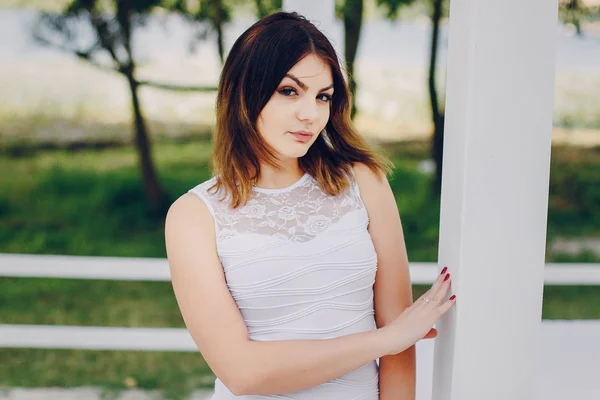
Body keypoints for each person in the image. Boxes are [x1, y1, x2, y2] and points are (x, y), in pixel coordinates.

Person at [165, 11, 456, 400]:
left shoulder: (363, 181)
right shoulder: (194, 216)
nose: (310, 113)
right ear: (245, 90)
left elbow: (399, 352)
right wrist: (385, 340)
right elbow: (242, 373)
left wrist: (394, 340)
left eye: (323, 97)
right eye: (289, 91)